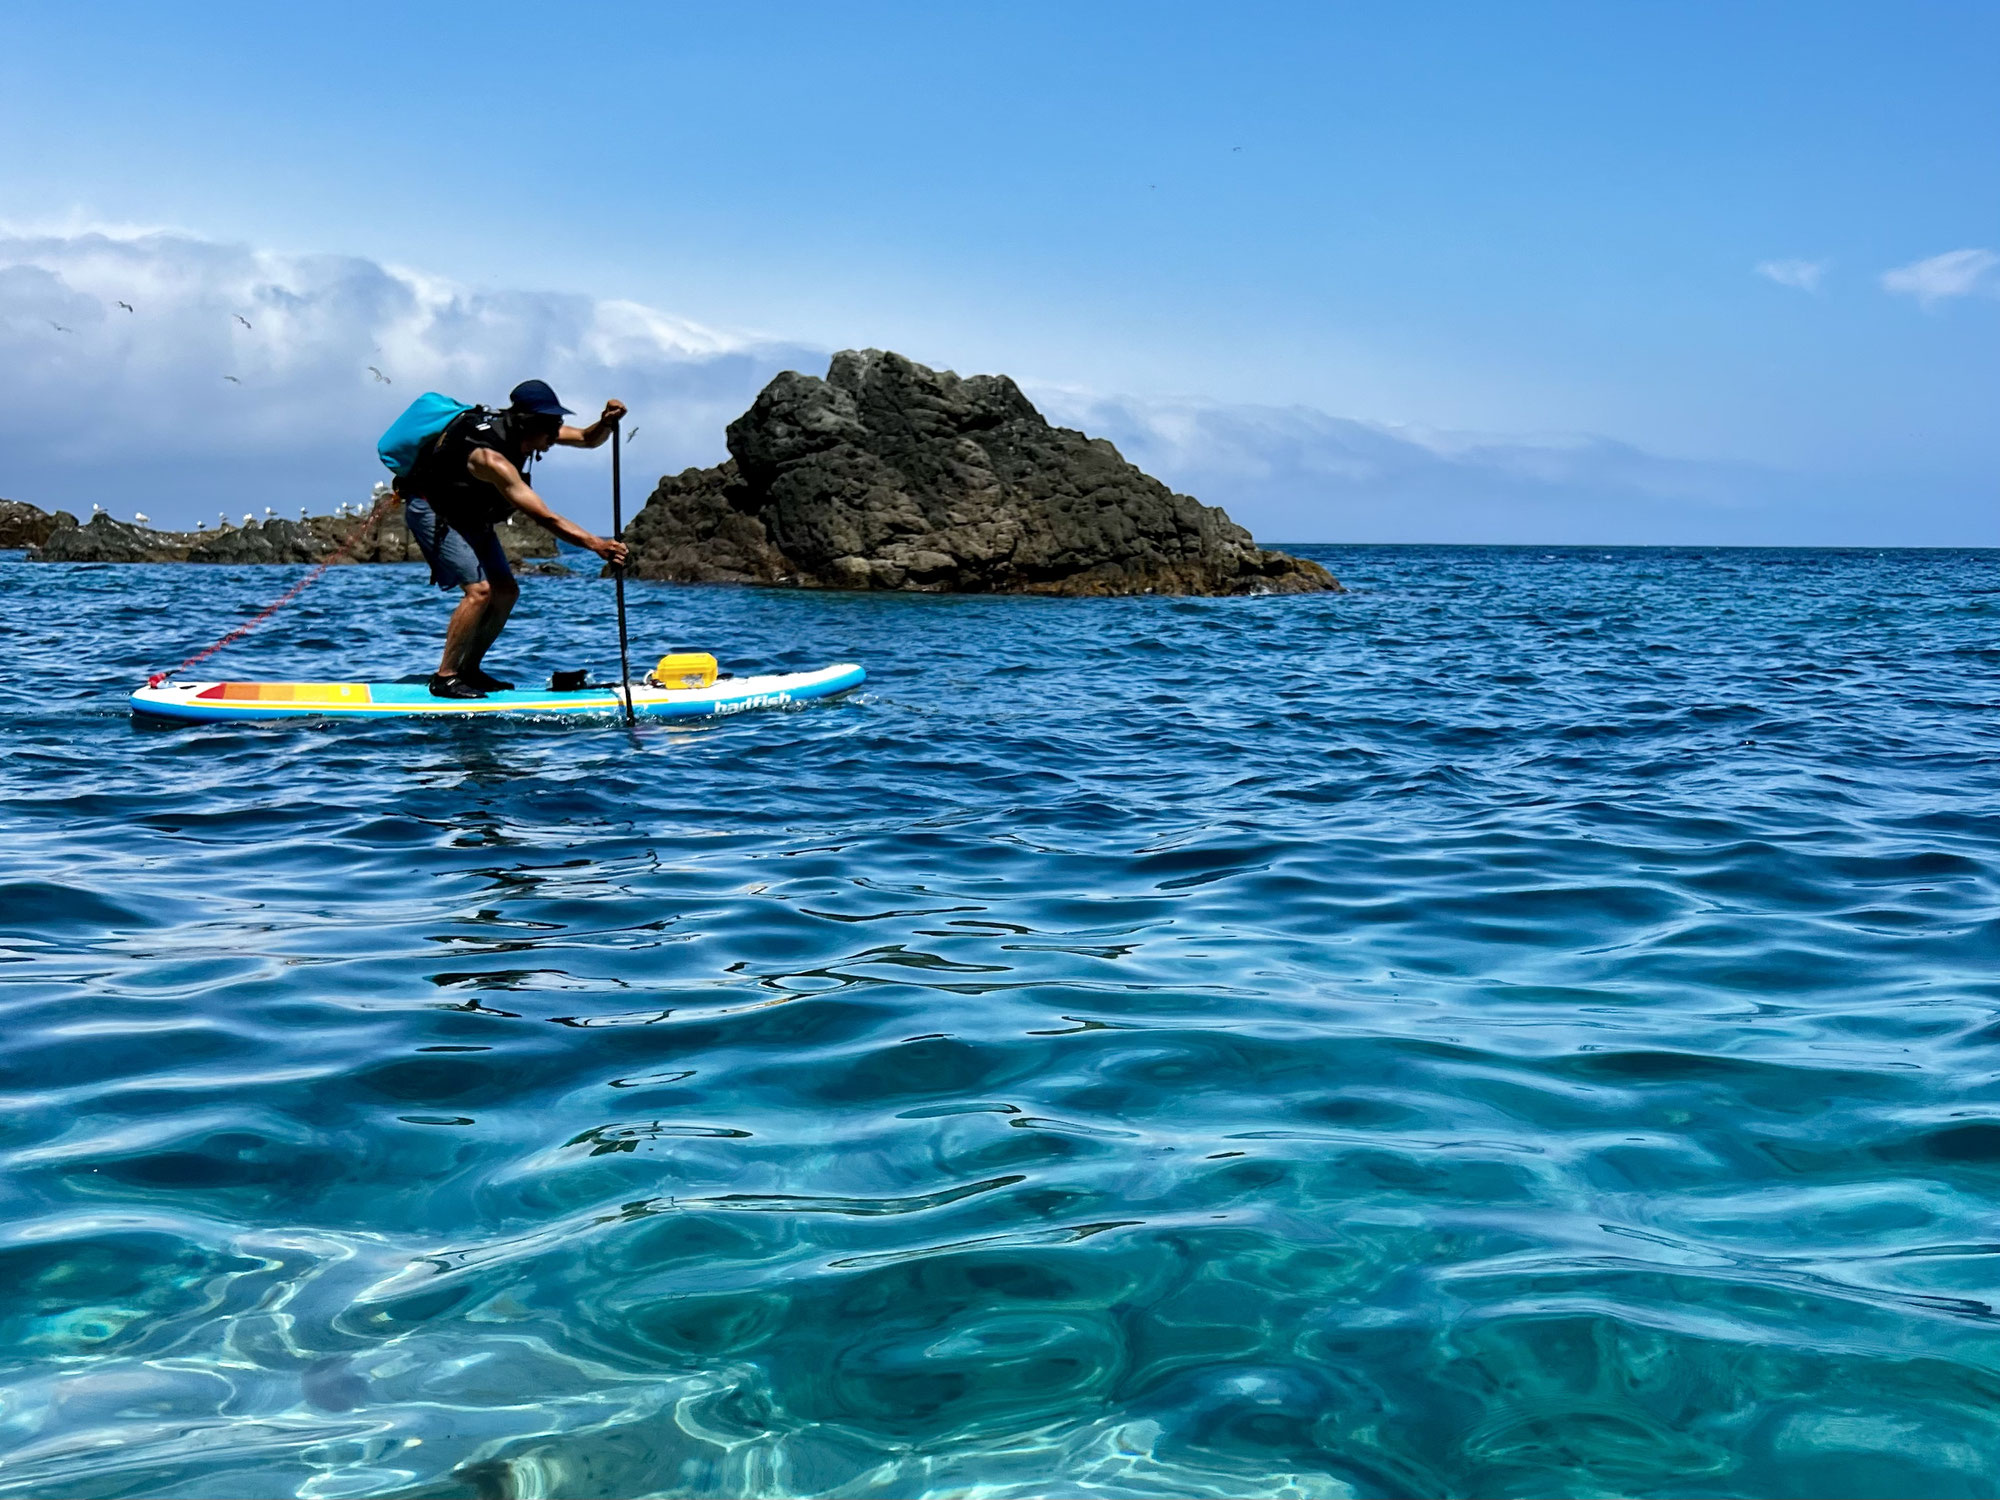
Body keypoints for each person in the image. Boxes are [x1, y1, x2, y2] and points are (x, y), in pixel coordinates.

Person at [398, 380, 629, 698]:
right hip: (433, 511)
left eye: (558, 424)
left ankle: (469, 671)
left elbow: (588, 440)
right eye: (552, 427)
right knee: (480, 592)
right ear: (528, 423)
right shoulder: (489, 458)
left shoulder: (530, 429)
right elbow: (544, 517)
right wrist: (596, 544)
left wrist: (605, 422)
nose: (554, 436)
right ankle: (446, 677)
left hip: (471, 515)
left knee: (506, 591)